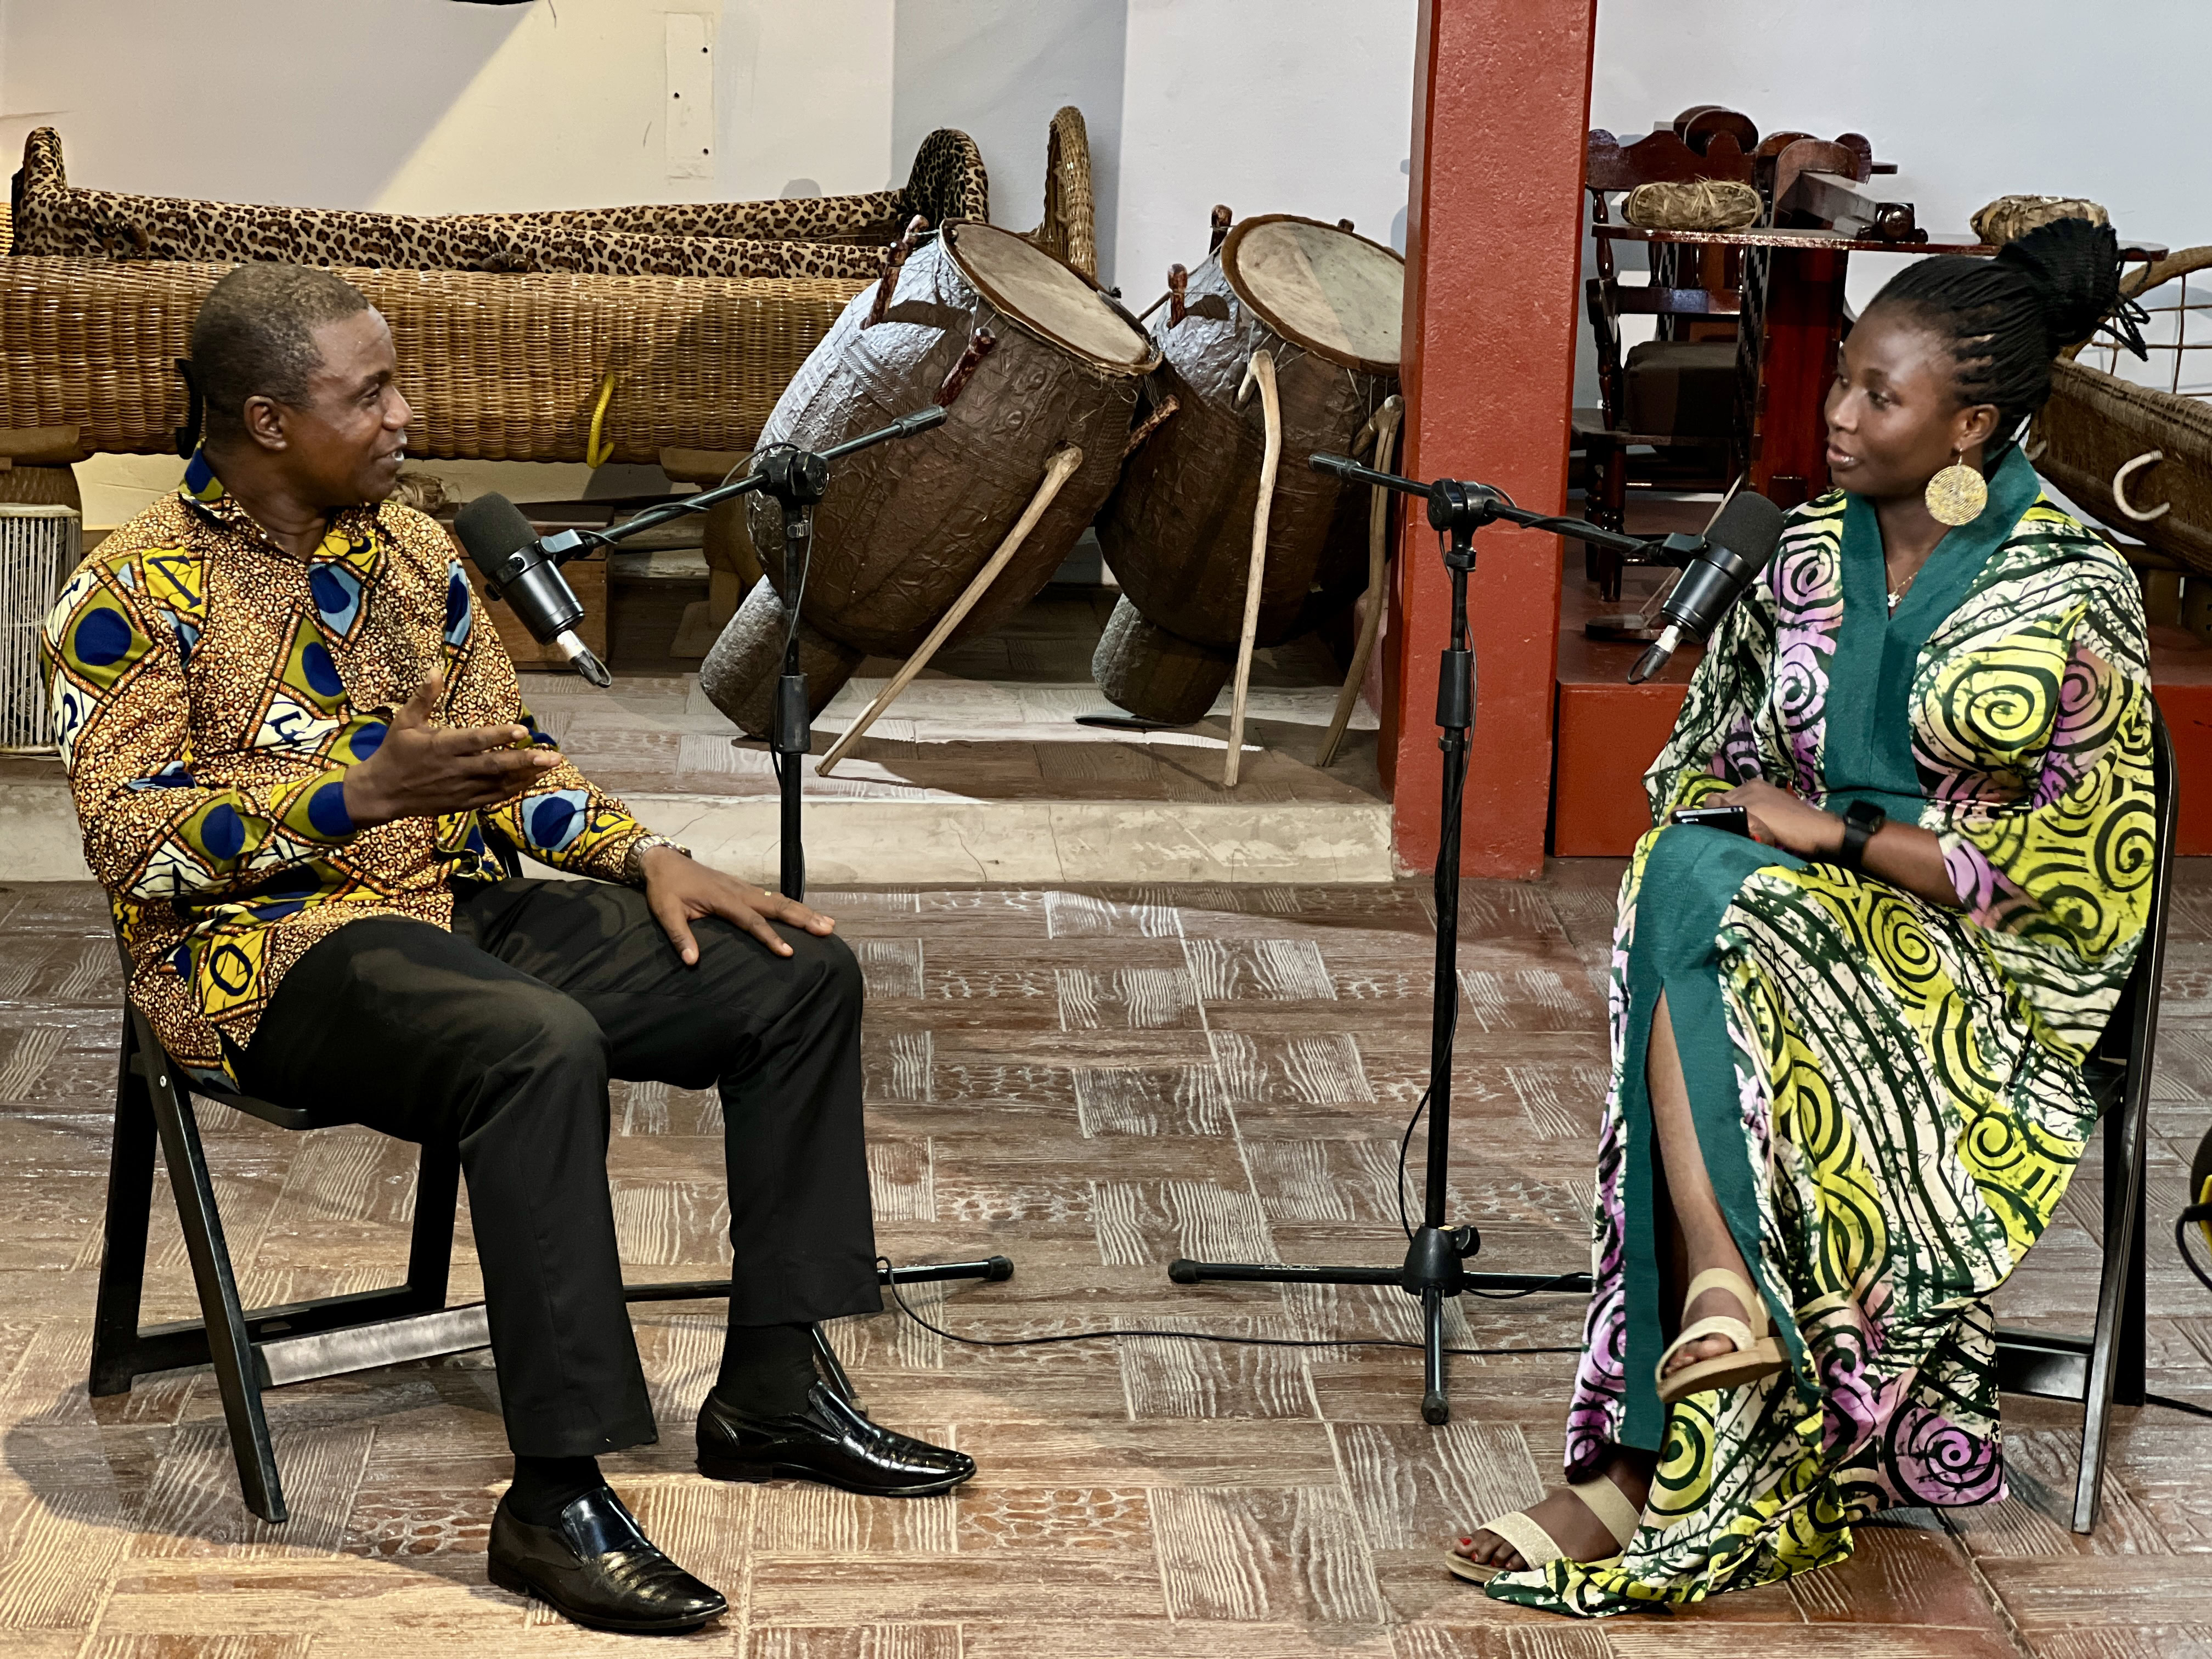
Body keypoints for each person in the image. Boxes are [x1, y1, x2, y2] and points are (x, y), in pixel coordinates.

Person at [43, 263, 974, 1636]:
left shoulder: (417, 555)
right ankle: (554, 1496)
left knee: (792, 972)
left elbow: (507, 771)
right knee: (537, 1046)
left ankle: (776, 1384)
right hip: (257, 955)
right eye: (370, 397)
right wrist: (349, 796)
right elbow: (130, 842)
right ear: (264, 418)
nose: (406, 416)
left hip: (444, 909)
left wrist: (644, 854)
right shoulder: (129, 592)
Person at [1449, 217, 2155, 1615]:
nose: (1836, 415)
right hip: (1778, 929)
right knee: (1689, 877)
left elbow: (2082, 867)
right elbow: (1700, 767)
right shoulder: (1800, 553)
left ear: (1973, 425)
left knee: (1697, 910)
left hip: (1980, 970)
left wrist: (1839, 834)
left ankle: (1643, 1458)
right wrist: (1767, 831)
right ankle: (1718, 1314)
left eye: (1877, 397)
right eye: (1839, 380)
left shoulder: (2074, 587)